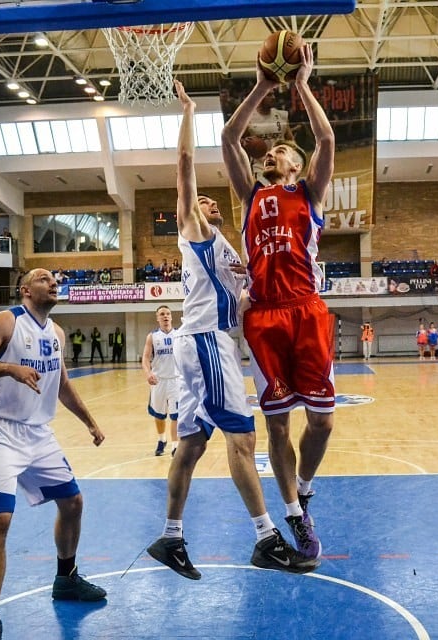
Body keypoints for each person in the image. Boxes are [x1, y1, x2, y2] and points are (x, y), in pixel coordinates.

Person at [147, 81, 317, 580]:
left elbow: (242, 299)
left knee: (192, 444)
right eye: (197, 200)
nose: (205, 202)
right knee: (243, 439)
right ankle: (267, 538)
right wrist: (188, 111)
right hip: (205, 341)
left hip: (207, 340)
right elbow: (184, 165)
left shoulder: (224, 245)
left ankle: (171, 537)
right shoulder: (193, 230)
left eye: (208, 200)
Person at [0, 268, 106, 640]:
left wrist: (89, 421)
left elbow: (61, 383)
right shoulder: (6, 321)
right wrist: (8, 369)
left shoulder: (56, 333)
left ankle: (66, 578)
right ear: (25, 290)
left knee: (73, 502)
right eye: (43, 278)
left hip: (37, 433)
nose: (53, 282)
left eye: (55, 279)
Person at [222, 41, 333, 560]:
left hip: (307, 308)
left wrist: (303, 84)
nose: (273, 152)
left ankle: (304, 491)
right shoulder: (250, 197)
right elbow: (228, 137)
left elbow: (327, 136)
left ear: (297, 163)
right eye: (268, 150)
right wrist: (264, 87)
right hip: (264, 315)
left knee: (323, 421)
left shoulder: (308, 193)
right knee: (279, 423)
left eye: (282, 150)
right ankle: (293, 516)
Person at [142, 306, 180, 457]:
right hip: (158, 381)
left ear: (171, 317)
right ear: (157, 318)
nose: (165, 316)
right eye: (162, 314)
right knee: (159, 414)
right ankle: (161, 439)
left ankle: (175, 446)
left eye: (168, 314)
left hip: (176, 380)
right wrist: (148, 373)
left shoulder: (179, 334)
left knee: (176, 415)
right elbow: (145, 358)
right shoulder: (152, 336)